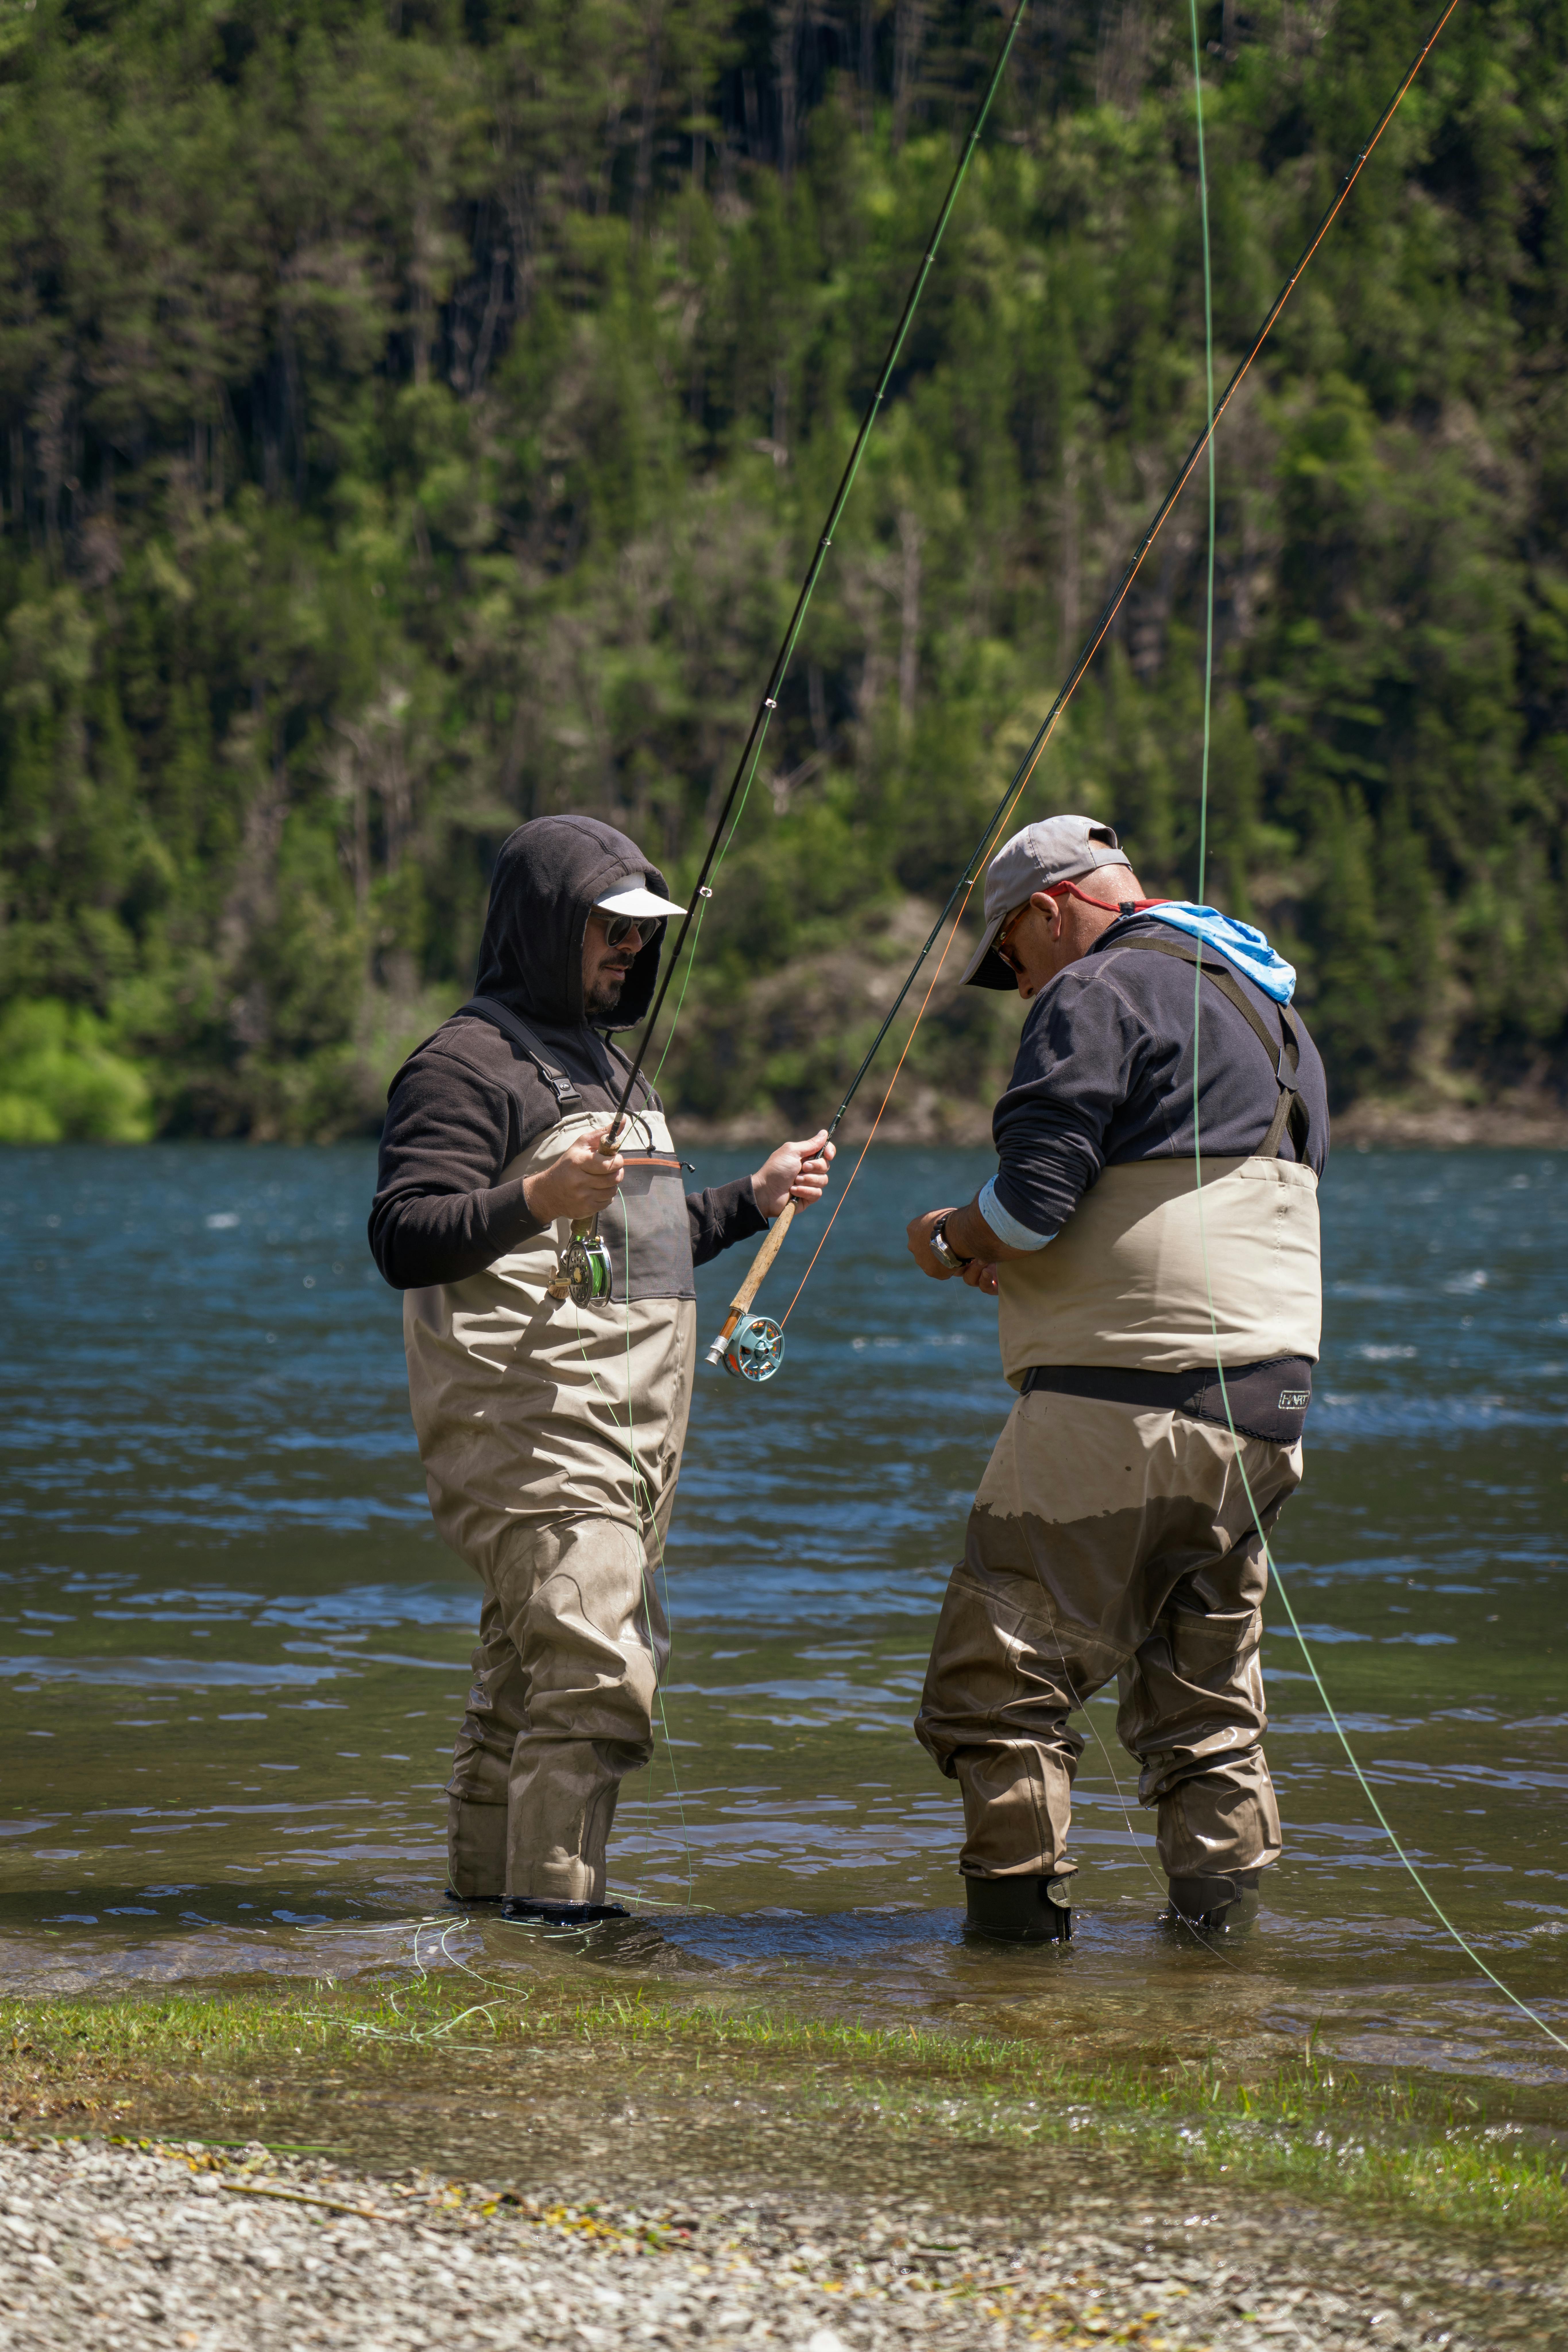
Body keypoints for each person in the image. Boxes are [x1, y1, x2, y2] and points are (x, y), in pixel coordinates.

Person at [370, 814, 833, 1925]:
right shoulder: (460, 1064)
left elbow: (631, 1241)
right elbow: (403, 1234)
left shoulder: (607, 1063)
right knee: (597, 1676)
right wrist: (534, 1195)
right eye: (609, 926)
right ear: (544, 921)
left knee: (525, 1686)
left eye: (642, 932)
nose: (630, 949)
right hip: (529, 1426)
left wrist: (751, 1200)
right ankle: (563, 1936)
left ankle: (483, 1923)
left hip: (624, 1440)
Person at [906, 814, 1327, 1944]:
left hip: (1121, 1399)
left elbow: (1032, 1205)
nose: (1021, 980)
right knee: (1205, 1710)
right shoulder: (1273, 1012)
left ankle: (1015, 1963)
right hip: (1264, 1412)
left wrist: (948, 1236)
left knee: (996, 1684)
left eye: (1013, 955)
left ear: (1047, 911)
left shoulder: (1092, 993)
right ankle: (1218, 1965)